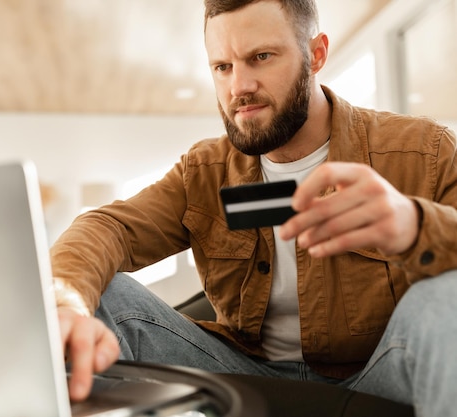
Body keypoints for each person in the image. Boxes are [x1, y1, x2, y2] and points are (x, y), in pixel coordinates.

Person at [50, 0, 457, 415]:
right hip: (241, 371)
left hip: (377, 372)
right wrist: (68, 303)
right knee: (100, 295)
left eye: (260, 58)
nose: (238, 86)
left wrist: (415, 225)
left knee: (449, 295)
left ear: (315, 55)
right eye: (222, 67)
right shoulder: (203, 173)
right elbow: (108, 227)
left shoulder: (425, 150)